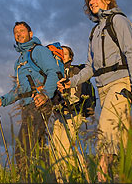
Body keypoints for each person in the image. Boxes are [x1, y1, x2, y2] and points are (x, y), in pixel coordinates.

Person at [57, 0, 132, 181]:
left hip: (121, 83)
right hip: (103, 89)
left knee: (105, 131)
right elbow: (90, 68)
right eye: (89, 0)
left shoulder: (119, 20)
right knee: (127, 141)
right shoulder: (94, 32)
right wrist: (71, 82)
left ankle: (100, 178)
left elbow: (131, 54)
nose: (92, 2)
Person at [0, 21, 61, 175]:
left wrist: (45, 94)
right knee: (39, 151)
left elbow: (53, 72)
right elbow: (20, 89)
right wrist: (2, 100)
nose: (18, 34)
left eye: (22, 31)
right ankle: (48, 178)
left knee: (22, 152)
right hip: (27, 107)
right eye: (15, 32)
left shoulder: (39, 51)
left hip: (40, 104)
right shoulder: (19, 62)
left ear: (30, 33)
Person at [51, 46, 92, 182]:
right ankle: (62, 178)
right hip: (59, 115)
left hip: (73, 113)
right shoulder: (55, 72)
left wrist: (65, 100)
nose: (61, 55)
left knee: (66, 147)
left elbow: (77, 94)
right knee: (55, 149)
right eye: (59, 52)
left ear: (70, 57)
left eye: (65, 53)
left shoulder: (75, 71)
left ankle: (79, 175)